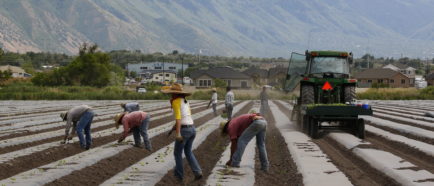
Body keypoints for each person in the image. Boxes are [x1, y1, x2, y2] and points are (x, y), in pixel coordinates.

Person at [161, 83, 202, 181]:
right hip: (192, 129)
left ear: (174, 94)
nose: (170, 96)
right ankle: (197, 172)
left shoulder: (176, 102)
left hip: (184, 131)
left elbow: (179, 119)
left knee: (177, 153)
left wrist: (178, 133)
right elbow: (185, 116)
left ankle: (179, 176)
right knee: (188, 151)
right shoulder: (185, 101)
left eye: (171, 94)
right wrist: (173, 128)